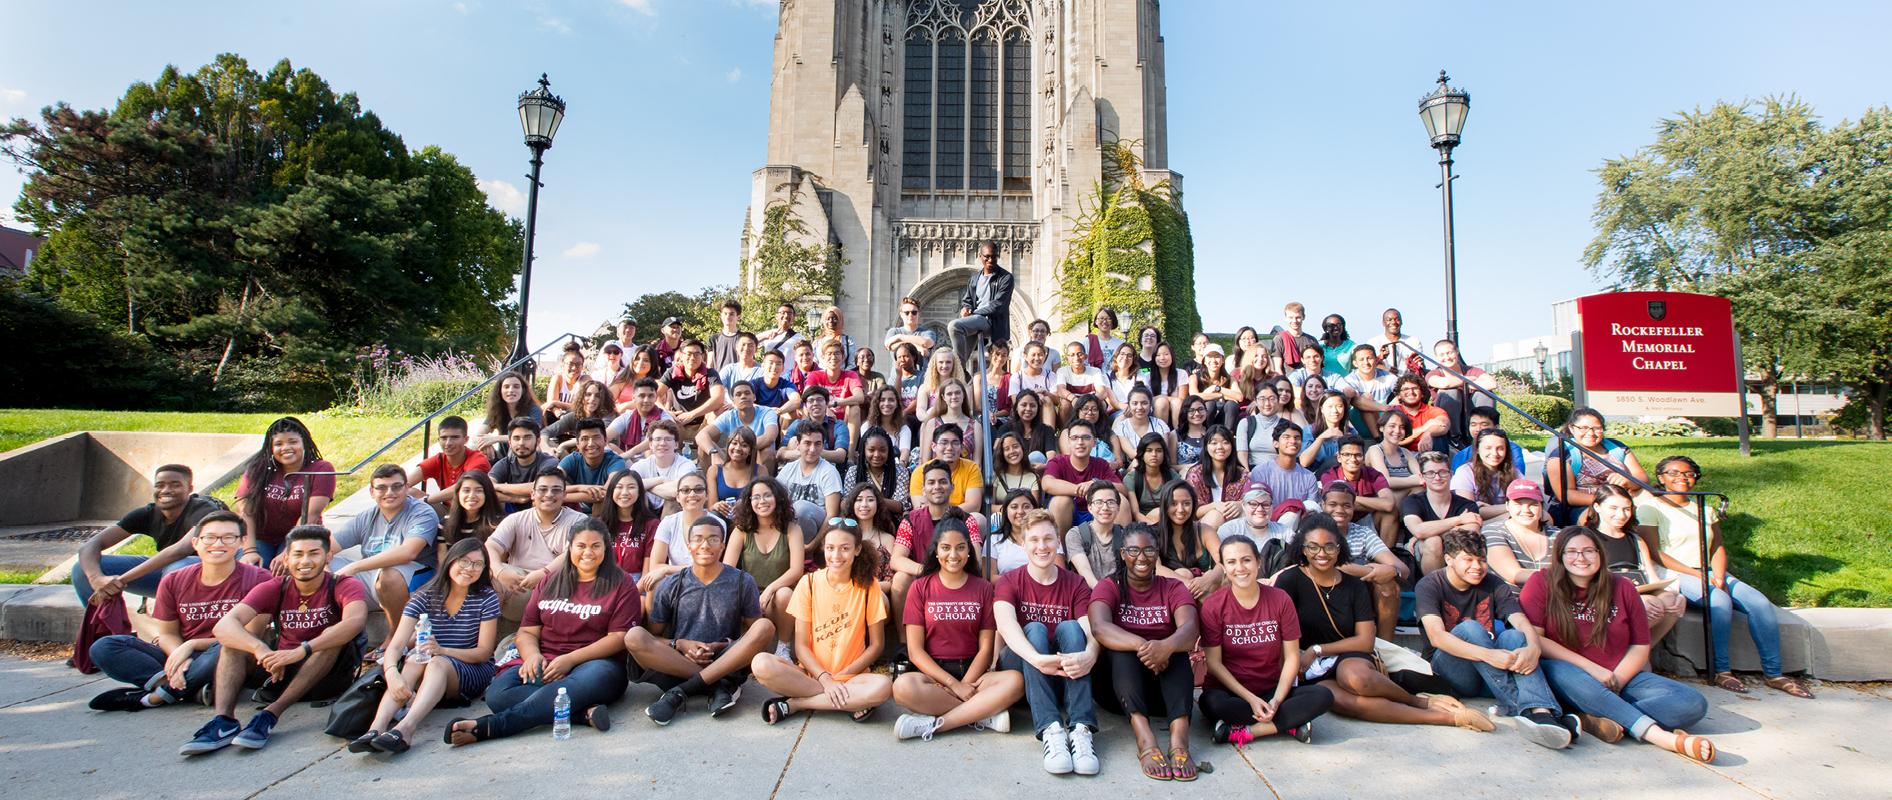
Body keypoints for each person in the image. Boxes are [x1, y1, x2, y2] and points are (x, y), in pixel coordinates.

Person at [1270, 515, 1489, 733]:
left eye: (1329, 547)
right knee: (1340, 701)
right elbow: (1278, 633)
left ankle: (1418, 702)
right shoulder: (1289, 581)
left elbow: (1365, 641)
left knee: (1356, 678)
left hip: (1348, 652)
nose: (1321, 554)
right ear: (1303, 548)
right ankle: (1448, 719)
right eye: (1313, 547)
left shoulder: (1353, 585)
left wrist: (1317, 650)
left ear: (1339, 548)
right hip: (1306, 664)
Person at [1523, 527, 1716, 761]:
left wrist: (1617, 679)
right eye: (1571, 551)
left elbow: (1640, 644)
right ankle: (1662, 737)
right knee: (1560, 671)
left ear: (1600, 554)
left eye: (1588, 551)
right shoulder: (1541, 583)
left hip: (1617, 676)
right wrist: (1592, 670)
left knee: (1692, 703)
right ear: (1560, 556)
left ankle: (1593, 717)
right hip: (1565, 673)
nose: (1580, 558)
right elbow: (1536, 639)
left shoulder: (1622, 587)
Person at [179, 525, 368, 755]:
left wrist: (302, 650)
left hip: (326, 675)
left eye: (314, 553)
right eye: (298, 554)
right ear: (286, 558)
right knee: (232, 643)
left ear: (328, 556)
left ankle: (270, 715)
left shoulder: (343, 585)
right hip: (280, 667)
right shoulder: (276, 586)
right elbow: (224, 625)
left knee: (331, 637)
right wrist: (260, 650)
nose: (305, 561)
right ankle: (223, 721)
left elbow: (354, 622)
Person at [447, 518, 638, 744]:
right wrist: (532, 656)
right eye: (581, 546)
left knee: (576, 685)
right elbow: (527, 631)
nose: (588, 552)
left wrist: (569, 660)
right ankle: (579, 714)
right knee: (497, 695)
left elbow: (618, 638)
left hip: (596, 665)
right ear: (569, 548)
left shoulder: (621, 583)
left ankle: (493, 726)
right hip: (546, 660)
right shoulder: (550, 580)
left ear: (606, 547)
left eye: (595, 546)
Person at [1637, 455, 1811, 698]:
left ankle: (1775, 673)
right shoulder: (1651, 508)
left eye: (1688, 473)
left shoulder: (1704, 507)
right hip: (1677, 572)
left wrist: (1717, 575)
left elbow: (1717, 546)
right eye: (1674, 473)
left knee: (1759, 603)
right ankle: (1722, 671)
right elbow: (1656, 553)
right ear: (1661, 477)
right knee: (1719, 601)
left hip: (1710, 570)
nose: (1682, 478)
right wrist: (1697, 575)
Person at [87, 511, 271, 712]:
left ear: (242, 542)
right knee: (105, 647)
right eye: (209, 538)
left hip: (230, 655)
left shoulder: (261, 580)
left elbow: (250, 636)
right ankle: (190, 689)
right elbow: (167, 634)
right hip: (182, 654)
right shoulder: (174, 580)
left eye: (228, 538)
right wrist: (180, 656)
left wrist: (192, 645)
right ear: (195, 543)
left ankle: (156, 697)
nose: (218, 544)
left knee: (227, 646)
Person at [1414, 529, 1574, 750]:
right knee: (1470, 628)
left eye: (1481, 560)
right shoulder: (1430, 585)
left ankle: (1540, 712)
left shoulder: (1494, 583)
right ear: (1449, 560)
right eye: (1468, 560)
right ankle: (1526, 708)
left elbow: (1519, 620)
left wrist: (1534, 648)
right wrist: (1490, 655)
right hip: (1450, 671)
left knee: (1514, 635)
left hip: (1489, 673)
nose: (1477, 567)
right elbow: (1437, 637)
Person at [353, 538, 501, 754]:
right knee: (414, 659)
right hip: (429, 666)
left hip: (472, 670)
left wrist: (442, 651)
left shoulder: (486, 598)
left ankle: (406, 728)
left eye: (477, 564)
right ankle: (376, 728)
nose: (470, 569)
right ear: (451, 561)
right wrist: (392, 673)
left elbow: (484, 652)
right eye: (464, 561)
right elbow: (395, 646)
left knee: (437, 663)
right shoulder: (425, 595)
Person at [1198, 533, 1339, 756]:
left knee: (1323, 696)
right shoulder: (1213, 606)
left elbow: (1292, 657)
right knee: (1211, 704)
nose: (1240, 568)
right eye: (1231, 562)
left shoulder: (1280, 599)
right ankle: (1289, 723)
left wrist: (1276, 700)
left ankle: (1247, 732)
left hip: (1272, 689)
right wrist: (1251, 700)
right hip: (1232, 693)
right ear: (1223, 567)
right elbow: (1214, 664)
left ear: (1258, 563)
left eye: (1246, 560)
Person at [629, 517, 777, 723]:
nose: (705, 545)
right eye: (698, 539)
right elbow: (654, 636)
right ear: (689, 546)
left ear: (723, 546)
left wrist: (724, 645)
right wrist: (679, 644)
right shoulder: (672, 583)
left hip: (725, 660)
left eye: (713, 539)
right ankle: (717, 686)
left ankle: (680, 693)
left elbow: (753, 633)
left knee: (765, 626)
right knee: (634, 636)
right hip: (678, 661)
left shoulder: (742, 581)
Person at [892, 517, 1024, 740]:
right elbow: (915, 651)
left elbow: (985, 649)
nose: (953, 555)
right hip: (934, 676)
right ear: (936, 551)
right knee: (902, 687)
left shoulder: (982, 588)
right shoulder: (919, 588)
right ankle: (981, 714)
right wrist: (953, 685)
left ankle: (938, 725)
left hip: (974, 674)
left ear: (969, 552)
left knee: (1016, 681)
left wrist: (966, 685)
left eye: (960, 548)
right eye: (946, 548)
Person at [752, 519, 896, 723]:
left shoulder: (868, 586)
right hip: (811, 675)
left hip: (853, 677)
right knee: (761, 663)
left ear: (857, 549)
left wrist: (841, 676)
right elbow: (801, 646)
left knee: (883, 687)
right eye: (830, 548)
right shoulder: (809, 583)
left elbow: (876, 645)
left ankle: (796, 704)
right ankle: (846, 701)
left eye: (845, 548)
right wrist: (826, 679)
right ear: (823, 549)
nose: (836, 556)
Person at [1088, 525, 1201, 781]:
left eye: (1149, 549)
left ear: (1157, 552)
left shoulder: (1173, 587)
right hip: (1117, 693)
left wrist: (1166, 647)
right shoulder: (1109, 586)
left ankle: (1179, 739)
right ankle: (1145, 738)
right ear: (1123, 553)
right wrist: (1145, 646)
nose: (1142, 557)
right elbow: (1099, 627)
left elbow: (1191, 629)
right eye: (1134, 550)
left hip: (1163, 693)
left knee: (1178, 650)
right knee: (1122, 650)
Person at [995, 510, 1101, 775]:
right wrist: (1037, 659)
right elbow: (1006, 626)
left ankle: (1080, 729)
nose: (1041, 547)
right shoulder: (1010, 580)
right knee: (1034, 630)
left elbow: (1090, 628)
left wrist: (1091, 653)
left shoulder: (1075, 583)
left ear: (1058, 542)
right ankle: (1051, 729)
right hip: (1023, 667)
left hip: (1065, 670)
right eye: (1034, 540)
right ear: (1023, 543)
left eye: (1048, 539)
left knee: (1070, 627)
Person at [73, 464, 226, 606]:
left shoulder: (204, 510)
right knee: (82, 568)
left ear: (190, 488)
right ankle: (108, 631)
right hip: (167, 573)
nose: (166, 490)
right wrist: (96, 579)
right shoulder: (148, 513)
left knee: (179, 569)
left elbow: (180, 550)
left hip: (209, 576)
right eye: (160, 485)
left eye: (175, 485)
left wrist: (120, 580)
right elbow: (91, 545)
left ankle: (178, 632)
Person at [330, 464, 440, 658]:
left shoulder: (422, 512)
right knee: (321, 566)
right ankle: (331, 634)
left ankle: (396, 636)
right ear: (372, 492)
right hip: (374, 577)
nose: (389, 492)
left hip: (413, 578)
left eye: (396, 486)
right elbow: (329, 546)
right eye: (381, 487)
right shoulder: (367, 517)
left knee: (388, 574)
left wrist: (354, 566)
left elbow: (409, 552)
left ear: (407, 488)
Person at [1585, 484, 1685, 644]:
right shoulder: (1586, 538)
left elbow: (1652, 578)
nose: (1621, 514)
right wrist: (1635, 598)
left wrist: (1674, 595)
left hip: (1638, 589)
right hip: (1605, 593)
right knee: (1650, 604)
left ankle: (1642, 649)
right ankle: (1626, 651)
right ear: (1597, 507)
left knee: (1672, 602)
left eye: (1626, 509)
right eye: (1613, 508)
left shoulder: (1635, 539)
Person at [234, 417, 335, 573]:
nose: (286, 447)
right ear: (271, 448)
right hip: (261, 537)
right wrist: (249, 551)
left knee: (288, 568)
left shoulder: (321, 468)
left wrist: (288, 551)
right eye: (278, 444)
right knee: (250, 571)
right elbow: (245, 512)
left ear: (304, 443)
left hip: (302, 536)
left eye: (292, 442)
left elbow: (311, 514)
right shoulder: (258, 469)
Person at [486, 470, 589, 618]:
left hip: (559, 588)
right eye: (542, 489)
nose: (549, 494)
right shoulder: (516, 519)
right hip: (520, 585)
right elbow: (491, 546)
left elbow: (572, 554)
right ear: (532, 494)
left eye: (556, 490)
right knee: (487, 573)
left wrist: (544, 573)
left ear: (565, 495)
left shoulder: (580, 521)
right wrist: (499, 572)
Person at [723, 478, 806, 659]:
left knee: (785, 593)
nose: (762, 501)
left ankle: (783, 647)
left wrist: (770, 589)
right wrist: (749, 595)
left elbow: (796, 570)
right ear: (749, 502)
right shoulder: (741, 530)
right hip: (750, 595)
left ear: (777, 498)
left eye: (767, 495)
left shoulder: (792, 529)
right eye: (756, 497)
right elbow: (728, 569)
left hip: (778, 599)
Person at [895, 462, 987, 619]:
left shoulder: (967, 520)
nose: (937, 486)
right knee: (900, 579)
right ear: (923, 489)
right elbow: (897, 559)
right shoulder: (910, 520)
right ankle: (904, 640)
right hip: (923, 581)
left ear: (952, 486)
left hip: (958, 578)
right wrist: (927, 570)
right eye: (931, 482)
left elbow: (976, 561)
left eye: (943, 482)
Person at [1318, 482, 1410, 639]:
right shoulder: (1313, 529)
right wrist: (1372, 571)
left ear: (1354, 507)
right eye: (1333, 504)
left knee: (1388, 585)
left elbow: (1403, 570)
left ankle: (1384, 646)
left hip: (1358, 592)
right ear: (1322, 505)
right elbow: (1329, 566)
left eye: (1346, 505)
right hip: (1320, 592)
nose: (1340, 510)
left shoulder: (1362, 533)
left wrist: (1392, 571)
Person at [1544, 408, 1650, 526]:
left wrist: (1629, 481)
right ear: (1572, 428)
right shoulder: (1562, 455)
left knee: (1649, 500)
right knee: (1600, 518)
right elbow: (1566, 495)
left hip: (1623, 501)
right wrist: (1607, 502)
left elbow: (1642, 477)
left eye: (1597, 428)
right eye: (1583, 428)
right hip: (1580, 507)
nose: (1591, 433)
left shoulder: (1618, 448)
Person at [1402, 451, 1484, 574]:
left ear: (1451, 474)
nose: (1437, 477)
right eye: (1430, 473)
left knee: (1437, 539)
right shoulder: (1412, 501)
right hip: (1420, 557)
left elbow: (1471, 532)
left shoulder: (1467, 504)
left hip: (1457, 554)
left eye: (1443, 472)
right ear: (1421, 477)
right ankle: (1434, 588)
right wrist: (1459, 520)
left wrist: (1427, 532)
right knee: (1433, 542)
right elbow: (1419, 530)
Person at [1043, 419, 1126, 534]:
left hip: (1098, 511)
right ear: (1068, 442)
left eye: (1086, 437)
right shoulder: (1058, 461)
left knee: (1121, 500)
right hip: (1069, 512)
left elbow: (1121, 488)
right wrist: (1080, 489)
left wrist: (1095, 484)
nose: (1080, 442)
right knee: (1060, 501)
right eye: (1074, 438)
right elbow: (1047, 483)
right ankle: (1060, 551)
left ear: (1094, 442)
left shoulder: (1101, 463)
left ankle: (1118, 549)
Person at [643, 471, 723, 588]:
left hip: (707, 583)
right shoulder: (668, 523)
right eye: (685, 490)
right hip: (675, 583)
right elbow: (655, 566)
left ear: (706, 495)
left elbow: (709, 567)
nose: (692, 494)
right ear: (678, 497)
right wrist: (666, 571)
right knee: (653, 584)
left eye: (698, 489)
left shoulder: (717, 524)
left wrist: (666, 570)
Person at [1320, 435, 1398, 547]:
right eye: (1347, 454)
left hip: (1365, 520)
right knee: (1336, 510)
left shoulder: (1373, 474)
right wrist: (1374, 503)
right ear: (1339, 458)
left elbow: (1389, 504)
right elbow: (1335, 505)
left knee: (1391, 512)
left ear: (1364, 458)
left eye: (1358, 455)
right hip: (1338, 520)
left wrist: (1348, 500)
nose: (1353, 459)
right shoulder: (1329, 475)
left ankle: (1385, 555)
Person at [1482, 479, 1561, 587]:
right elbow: (1515, 575)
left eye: (1533, 504)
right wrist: (1566, 575)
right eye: (1518, 504)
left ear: (1542, 507)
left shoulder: (1558, 535)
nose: (1526, 510)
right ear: (1507, 506)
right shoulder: (1492, 532)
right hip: (1510, 601)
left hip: (1552, 600)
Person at [1155, 478, 1223, 599]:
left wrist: (1208, 579)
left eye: (1186, 503)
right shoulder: (1152, 533)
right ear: (1164, 504)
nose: (1180, 510)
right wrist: (1191, 585)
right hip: (1168, 594)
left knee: (1217, 577)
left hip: (1205, 591)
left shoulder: (1204, 530)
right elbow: (1157, 568)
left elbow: (1223, 562)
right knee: (1183, 573)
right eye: (1173, 503)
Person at [1246, 421, 1321, 527]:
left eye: (1297, 438)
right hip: (1267, 525)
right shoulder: (1260, 472)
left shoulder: (1309, 477)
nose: (1293, 441)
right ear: (1275, 443)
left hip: (1300, 528)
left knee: (1311, 506)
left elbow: (1311, 510)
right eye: (1287, 437)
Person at [1426, 339, 1498, 448]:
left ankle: (1485, 434)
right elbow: (1445, 383)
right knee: (1451, 392)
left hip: (1471, 412)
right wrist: (1468, 380)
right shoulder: (1434, 373)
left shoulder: (1472, 370)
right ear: (1437, 357)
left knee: (1485, 394)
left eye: (1450, 352)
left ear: (1457, 351)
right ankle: (1454, 440)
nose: (1447, 357)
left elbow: (1492, 383)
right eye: (1442, 354)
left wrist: (1464, 384)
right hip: (1449, 418)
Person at [949, 239, 1015, 359]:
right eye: (987, 256)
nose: (990, 260)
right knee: (960, 358)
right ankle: (962, 371)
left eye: (994, 256)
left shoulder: (1005, 278)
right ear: (980, 256)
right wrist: (966, 308)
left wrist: (974, 313)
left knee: (954, 326)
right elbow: (967, 300)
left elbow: (999, 305)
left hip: (992, 322)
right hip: (976, 320)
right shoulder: (974, 279)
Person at [595, 471, 660, 588]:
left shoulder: (651, 524)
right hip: (604, 582)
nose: (625, 492)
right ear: (611, 492)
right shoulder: (600, 524)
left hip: (637, 584)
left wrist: (632, 593)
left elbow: (647, 572)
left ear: (640, 492)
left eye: (631, 487)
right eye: (619, 487)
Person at [777, 427, 845, 538]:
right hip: (791, 528)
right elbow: (775, 498)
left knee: (801, 508)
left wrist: (812, 546)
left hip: (819, 530)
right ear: (798, 445)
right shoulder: (788, 469)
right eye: (807, 443)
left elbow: (832, 516)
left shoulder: (829, 472)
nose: (812, 449)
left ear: (823, 446)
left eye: (818, 444)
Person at [1213, 488, 1295, 579]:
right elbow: (1220, 563)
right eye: (1253, 504)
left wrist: (1276, 577)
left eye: (1266, 504)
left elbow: (1299, 562)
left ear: (1272, 507)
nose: (1260, 509)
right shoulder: (1229, 529)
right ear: (1243, 506)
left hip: (1275, 583)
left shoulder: (1284, 531)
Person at [906, 422, 986, 515]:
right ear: (934, 446)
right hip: (930, 521)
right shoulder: (920, 472)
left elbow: (973, 505)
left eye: (955, 443)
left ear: (961, 447)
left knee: (978, 518)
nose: (949, 448)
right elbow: (920, 508)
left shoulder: (971, 468)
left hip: (960, 519)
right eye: (944, 442)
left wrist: (942, 511)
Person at [1185, 425, 1251, 530]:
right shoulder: (1195, 474)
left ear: (1232, 446)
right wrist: (1215, 506)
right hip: (1203, 525)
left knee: (1247, 514)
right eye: (1214, 443)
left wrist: (1240, 505)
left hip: (1233, 523)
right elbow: (1192, 511)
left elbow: (1251, 501)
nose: (1220, 447)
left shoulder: (1242, 474)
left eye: (1225, 442)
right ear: (1206, 447)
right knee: (1216, 515)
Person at [666, 339, 729, 445]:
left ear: (702, 356)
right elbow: (655, 393)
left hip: (703, 423)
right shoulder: (672, 372)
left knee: (718, 410)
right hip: (679, 423)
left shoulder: (710, 373)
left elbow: (718, 398)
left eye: (697, 354)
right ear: (681, 355)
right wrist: (666, 412)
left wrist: (692, 415)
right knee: (666, 418)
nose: (692, 358)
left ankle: (704, 448)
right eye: (689, 354)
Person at [1064, 483, 1127, 588]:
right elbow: (1085, 571)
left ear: (1118, 508)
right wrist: (1104, 595)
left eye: (1111, 502)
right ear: (1089, 508)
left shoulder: (1125, 535)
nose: (1105, 507)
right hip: (1087, 594)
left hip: (1118, 594)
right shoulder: (1075, 534)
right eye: (1099, 502)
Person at [487, 418, 560, 508]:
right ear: (510, 443)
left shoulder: (549, 462)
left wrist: (497, 487)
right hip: (512, 512)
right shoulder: (505, 463)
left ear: (538, 441)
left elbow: (540, 487)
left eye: (527, 438)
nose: (521, 443)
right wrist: (514, 499)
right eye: (516, 438)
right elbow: (486, 488)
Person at [557, 418, 626, 510]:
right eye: (585, 439)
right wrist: (579, 488)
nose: (590, 444)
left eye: (596, 437)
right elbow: (548, 484)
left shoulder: (615, 461)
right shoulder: (572, 459)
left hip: (606, 514)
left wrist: (559, 497)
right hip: (575, 513)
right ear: (577, 444)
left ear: (605, 441)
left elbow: (605, 493)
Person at [804, 339, 866, 438]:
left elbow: (860, 397)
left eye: (837, 353)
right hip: (820, 418)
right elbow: (806, 397)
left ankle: (849, 451)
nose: (833, 357)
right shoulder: (814, 376)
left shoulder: (850, 375)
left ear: (843, 357)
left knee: (855, 408)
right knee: (806, 409)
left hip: (844, 421)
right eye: (829, 354)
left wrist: (837, 403)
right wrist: (825, 408)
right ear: (823, 357)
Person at [1453, 429, 1520, 520]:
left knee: (1542, 515)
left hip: (1508, 518)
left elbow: (1529, 500)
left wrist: (1486, 509)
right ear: (1477, 449)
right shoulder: (1465, 472)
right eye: (1488, 448)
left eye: (1500, 448)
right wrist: (1512, 507)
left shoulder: (1513, 472)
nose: (1494, 453)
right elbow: (1468, 511)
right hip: (1477, 524)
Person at [628, 420, 698, 505]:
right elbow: (629, 485)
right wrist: (661, 479)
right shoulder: (641, 465)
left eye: (668, 439)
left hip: (672, 511)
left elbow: (676, 492)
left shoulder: (686, 465)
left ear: (676, 444)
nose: (662, 443)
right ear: (650, 445)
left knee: (675, 500)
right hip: (645, 509)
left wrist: (645, 486)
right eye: (658, 439)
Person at [987, 489, 1055, 575]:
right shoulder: (994, 539)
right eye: (1014, 507)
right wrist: (1019, 585)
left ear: (1034, 509)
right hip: (1007, 587)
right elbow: (991, 578)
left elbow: (1058, 571)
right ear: (1006, 511)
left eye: (1026, 507)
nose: (1020, 512)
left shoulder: (1049, 536)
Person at [606, 378, 674, 460]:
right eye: (642, 396)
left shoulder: (664, 417)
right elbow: (605, 436)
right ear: (633, 398)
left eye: (650, 396)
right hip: (629, 461)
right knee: (609, 447)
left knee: (652, 448)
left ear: (656, 398)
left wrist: (630, 453)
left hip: (654, 462)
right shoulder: (627, 417)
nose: (646, 400)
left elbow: (656, 439)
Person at [781, 386, 849, 468]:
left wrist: (807, 451)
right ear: (805, 405)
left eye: (819, 400)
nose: (815, 403)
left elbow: (841, 456)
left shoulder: (838, 425)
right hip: (800, 469)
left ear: (827, 403)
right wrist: (808, 453)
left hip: (828, 472)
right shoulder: (797, 424)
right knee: (794, 440)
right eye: (810, 401)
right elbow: (780, 453)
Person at [920, 379, 984, 466]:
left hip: (966, 477)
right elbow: (926, 460)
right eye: (949, 394)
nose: (954, 396)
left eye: (957, 393)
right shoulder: (932, 423)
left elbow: (977, 463)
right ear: (943, 397)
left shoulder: (976, 426)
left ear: (964, 395)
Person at [540, 381, 616, 454]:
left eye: (597, 396)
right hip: (576, 455)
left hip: (601, 453)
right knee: (545, 443)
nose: (592, 399)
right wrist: (546, 448)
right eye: (588, 394)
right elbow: (545, 432)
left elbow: (601, 436)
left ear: (603, 399)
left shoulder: (608, 416)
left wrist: (564, 445)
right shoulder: (575, 416)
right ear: (581, 397)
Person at [474, 371, 543, 451]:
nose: (511, 390)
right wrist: (485, 444)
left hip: (525, 454)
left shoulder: (533, 409)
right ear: (500, 391)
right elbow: (478, 434)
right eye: (506, 387)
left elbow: (529, 435)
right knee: (478, 447)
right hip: (503, 459)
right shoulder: (497, 409)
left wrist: (495, 439)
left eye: (516, 387)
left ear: (523, 390)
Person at [848, 427, 913, 511]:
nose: (877, 455)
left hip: (890, 521)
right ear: (864, 450)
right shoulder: (854, 472)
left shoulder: (900, 471)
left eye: (882, 450)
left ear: (889, 451)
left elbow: (902, 505)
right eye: (871, 450)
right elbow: (845, 503)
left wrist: (870, 499)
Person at [1111, 385, 1173, 474]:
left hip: (1157, 466)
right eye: (1135, 403)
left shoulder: (1160, 425)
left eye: (1144, 403)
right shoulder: (1122, 427)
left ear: (1150, 405)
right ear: (1128, 405)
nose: (1139, 407)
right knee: (1137, 462)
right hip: (1133, 468)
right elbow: (1132, 454)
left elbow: (1162, 450)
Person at [1234, 381, 1292, 471]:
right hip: (1251, 471)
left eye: (1272, 399)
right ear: (1256, 401)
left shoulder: (1286, 425)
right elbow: (1242, 452)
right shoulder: (1246, 423)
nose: (1267, 404)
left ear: (1278, 400)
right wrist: (1247, 472)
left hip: (1278, 471)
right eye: (1262, 399)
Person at [1055, 340, 1115, 423]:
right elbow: (1060, 390)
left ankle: (1101, 432)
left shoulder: (1095, 371)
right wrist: (1073, 399)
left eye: (1080, 354)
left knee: (1102, 403)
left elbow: (1102, 392)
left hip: (1090, 400)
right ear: (1067, 358)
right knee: (1065, 404)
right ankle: (1064, 432)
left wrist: (1087, 403)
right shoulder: (1062, 371)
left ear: (1085, 356)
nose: (1076, 358)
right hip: (1072, 401)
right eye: (1072, 355)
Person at [1185, 343, 1242, 431]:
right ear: (1204, 360)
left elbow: (1239, 397)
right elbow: (1194, 397)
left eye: (1217, 356)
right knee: (1209, 404)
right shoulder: (1194, 377)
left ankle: (1228, 436)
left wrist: (1218, 388)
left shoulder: (1230, 378)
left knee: (1232, 405)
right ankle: (1207, 436)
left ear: (1222, 360)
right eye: (1209, 357)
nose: (1213, 360)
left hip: (1223, 418)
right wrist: (1220, 395)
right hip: (1203, 418)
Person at [1449, 406, 1526, 471]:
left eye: (1484, 425)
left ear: (1496, 427)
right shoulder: (1462, 455)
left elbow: (1517, 476)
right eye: (1473, 425)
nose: (1478, 429)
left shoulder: (1512, 449)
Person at [707, 428, 763, 515]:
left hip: (749, 517)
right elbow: (711, 507)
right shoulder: (714, 470)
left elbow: (763, 501)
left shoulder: (760, 470)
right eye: (734, 443)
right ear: (728, 445)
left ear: (751, 451)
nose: (737, 448)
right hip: (724, 518)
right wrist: (717, 506)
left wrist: (746, 503)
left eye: (744, 445)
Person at [1386, 376, 1450, 453]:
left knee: (1438, 437)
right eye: (1406, 389)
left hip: (1427, 454)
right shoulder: (1393, 411)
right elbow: (1396, 440)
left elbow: (1443, 424)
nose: (1411, 392)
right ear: (1399, 395)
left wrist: (1428, 433)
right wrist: (1424, 428)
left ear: (1422, 393)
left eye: (1415, 388)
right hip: (1401, 455)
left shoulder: (1433, 410)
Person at [1124, 432, 1176, 524]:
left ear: (1164, 454)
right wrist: (1154, 527)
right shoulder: (1131, 478)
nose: (1154, 454)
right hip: (1144, 524)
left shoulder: (1171, 475)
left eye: (1159, 450)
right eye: (1149, 450)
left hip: (1170, 520)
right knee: (1158, 513)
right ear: (1142, 454)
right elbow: (1136, 513)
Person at [1300, 392, 1353, 476]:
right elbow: (1304, 462)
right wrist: (1322, 437)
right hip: (1315, 476)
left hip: (1343, 477)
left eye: (1339, 406)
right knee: (1335, 460)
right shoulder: (1309, 430)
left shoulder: (1351, 432)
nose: (1334, 410)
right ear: (1322, 409)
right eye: (1330, 407)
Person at [860, 384, 917, 461]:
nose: (886, 403)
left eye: (891, 400)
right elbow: (865, 453)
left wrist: (900, 467)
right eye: (882, 400)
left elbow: (905, 453)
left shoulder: (904, 429)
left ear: (897, 404)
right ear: (877, 403)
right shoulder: (867, 426)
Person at [1000, 388, 1058, 464]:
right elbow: (997, 450)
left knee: (1035, 456)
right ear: (1016, 407)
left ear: (1038, 408)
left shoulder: (1046, 429)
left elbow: (1051, 456)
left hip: (1038, 471)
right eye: (1024, 405)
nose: (1028, 409)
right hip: (1014, 470)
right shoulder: (1007, 428)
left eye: (1032, 405)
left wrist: (1045, 466)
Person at [1009, 342, 1059, 429]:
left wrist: (1044, 392)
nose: (1037, 358)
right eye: (1033, 355)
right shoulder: (1017, 377)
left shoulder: (1051, 375)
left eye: (1040, 355)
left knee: (1047, 399)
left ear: (1045, 356)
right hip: (1024, 413)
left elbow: (1057, 401)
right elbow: (1015, 402)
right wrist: (1035, 395)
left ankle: (1049, 436)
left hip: (1045, 412)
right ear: (1025, 356)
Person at [1365, 308, 1427, 376]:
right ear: (1383, 323)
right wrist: (1380, 358)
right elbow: (1369, 366)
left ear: (1401, 322)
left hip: (1407, 381)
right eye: (1389, 320)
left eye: (1397, 319)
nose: (1393, 322)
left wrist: (1416, 364)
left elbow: (1419, 366)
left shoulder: (1413, 341)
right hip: (1382, 381)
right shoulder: (1373, 342)